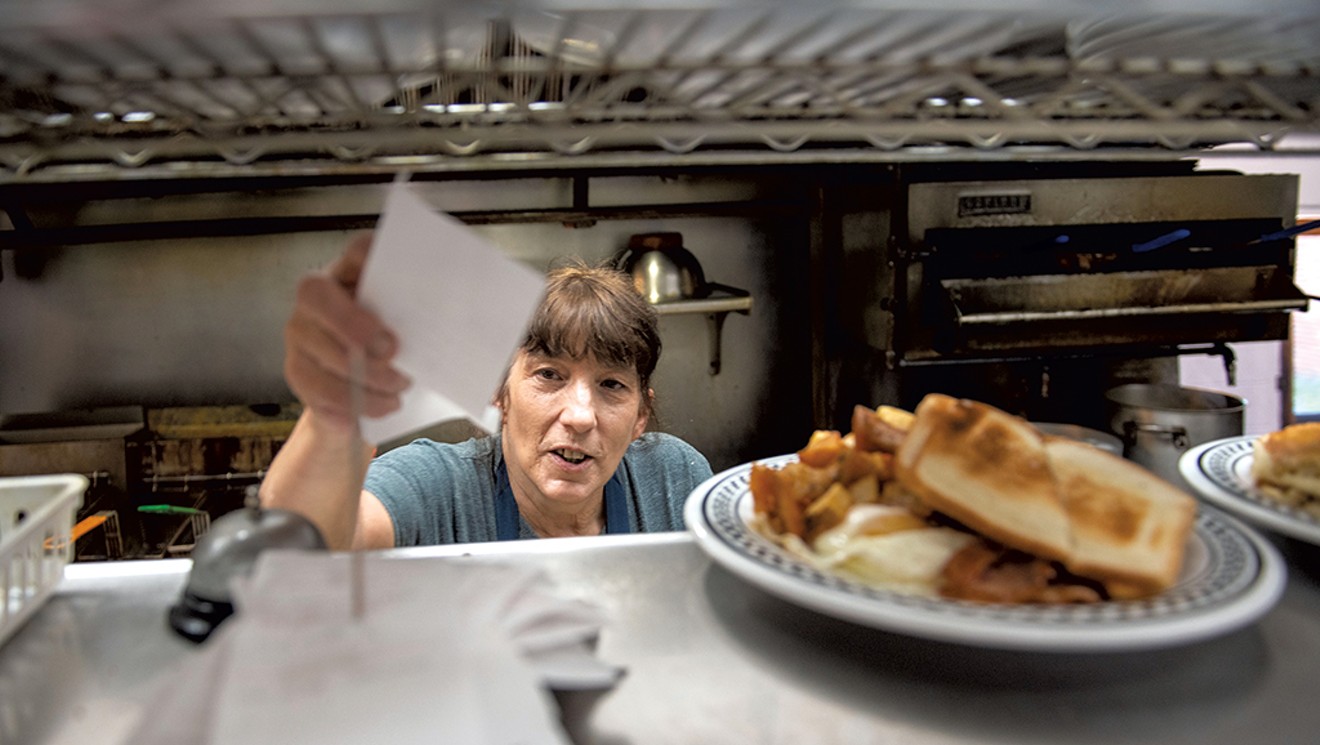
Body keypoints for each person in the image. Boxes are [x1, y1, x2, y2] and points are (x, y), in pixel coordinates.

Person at [260, 233, 713, 550]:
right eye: (549, 375)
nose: (579, 415)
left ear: (639, 417)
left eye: (611, 385)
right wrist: (337, 410)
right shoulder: (438, 486)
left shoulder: (674, 480)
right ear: (499, 393)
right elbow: (304, 549)